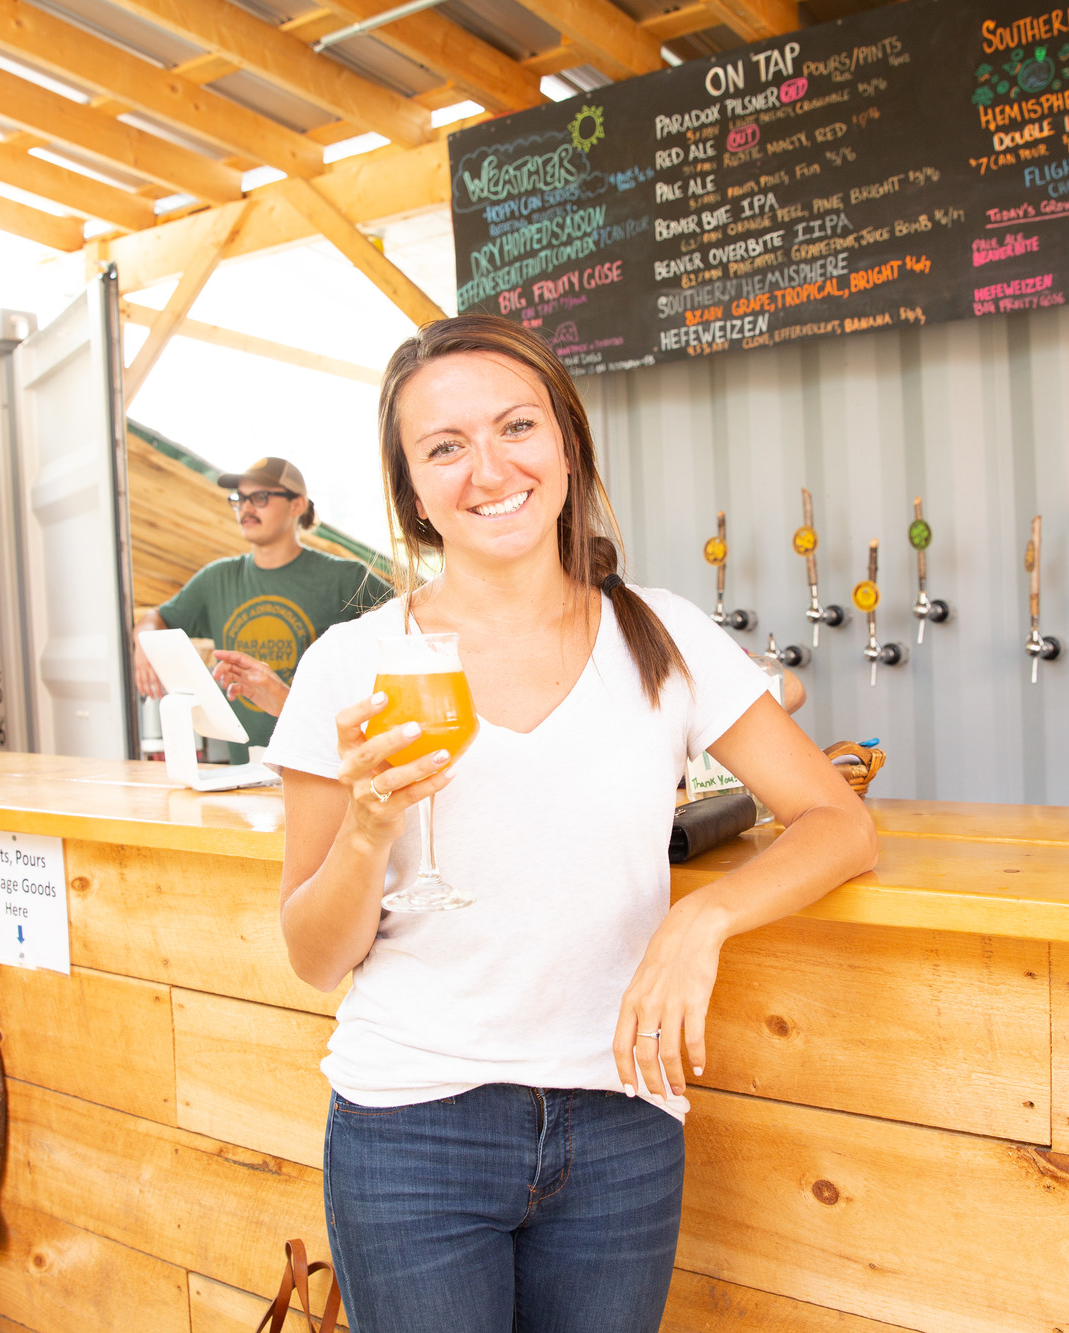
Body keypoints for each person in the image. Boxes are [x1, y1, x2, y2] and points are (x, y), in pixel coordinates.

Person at [264, 315, 877, 1333]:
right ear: (413, 492)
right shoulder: (350, 662)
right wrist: (369, 826)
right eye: (444, 447)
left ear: (566, 446)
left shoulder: (663, 632)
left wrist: (697, 923)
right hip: (413, 1130)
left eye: (516, 427)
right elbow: (313, 957)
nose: (489, 469)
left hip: (622, 1119)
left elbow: (837, 822)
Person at [134, 458, 394, 763]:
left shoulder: (345, 578)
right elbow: (156, 617)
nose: (246, 508)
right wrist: (144, 640)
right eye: (240, 499)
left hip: (321, 764)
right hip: (243, 769)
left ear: (297, 505)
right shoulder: (216, 579)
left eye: (260, 498)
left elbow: (412, 626)